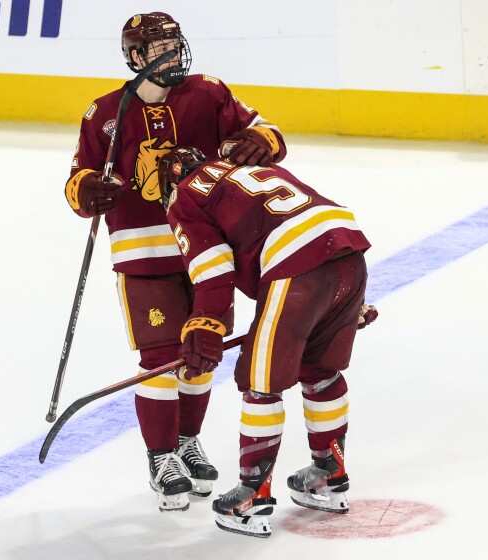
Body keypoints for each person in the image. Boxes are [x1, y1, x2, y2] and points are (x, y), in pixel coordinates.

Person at [63, 12, 288, 513]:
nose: (172, 54)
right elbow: (77, 180)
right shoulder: (104, 113)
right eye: (160, 47)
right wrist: (88, 192)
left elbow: (269, 131)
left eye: (174, 44)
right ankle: (161, 455)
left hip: (208, 251)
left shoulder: (208, 93)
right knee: (161, 360)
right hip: (144, 255)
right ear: (136, 57)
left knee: (201, 355)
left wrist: (261, 142)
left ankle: (188, 439)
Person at [156, 146, 378, 538]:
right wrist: (342, 302)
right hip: (348, 251)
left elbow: (213, 269)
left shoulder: (185, 196)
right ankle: (329, 473)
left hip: (294, 268)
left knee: (261, 385)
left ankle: (250, 499)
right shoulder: (246, 168)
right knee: (320, 371)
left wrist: (205, 326)